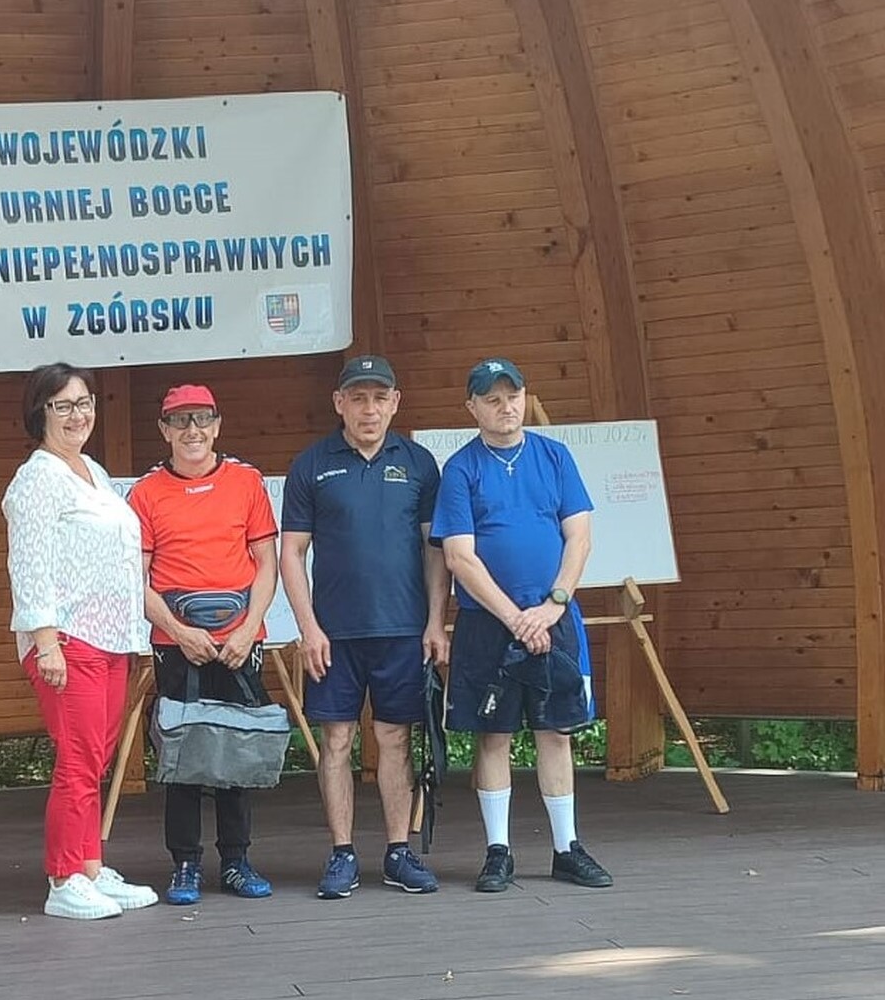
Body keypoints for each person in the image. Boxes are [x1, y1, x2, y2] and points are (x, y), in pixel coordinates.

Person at [430, 357, 613, 892]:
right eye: (492, 399)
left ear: (525, 397)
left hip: (554, 618)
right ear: (472, 407)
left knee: (556, 733)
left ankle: (566, 848)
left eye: (512, 396)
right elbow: (458, 556)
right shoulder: (460, 469)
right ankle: (498, 851)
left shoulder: (555, 457)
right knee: (494, 735)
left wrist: (553, 605)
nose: (505, 407)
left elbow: (579, 537)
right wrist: (515, 618)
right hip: (488, 625)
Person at [280, 355, 449, 900]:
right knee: (337, 740)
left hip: (403, 630)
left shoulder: (420, 464)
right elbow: (291, 553)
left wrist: (435, 621)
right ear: (340, 403)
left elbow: (435, 551)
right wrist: (308, 628)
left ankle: (398, 852)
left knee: (395, 739)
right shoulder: (311, 465)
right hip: (333, 635)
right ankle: (342, 854)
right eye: (358, 398)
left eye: (379, 397)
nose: (369, 409)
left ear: (395, 403)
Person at [1, 362, 158, 920]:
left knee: (96, 758)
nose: (78, 415)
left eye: (85, 402)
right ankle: (65, 878)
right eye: (63, 405)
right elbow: (29, 566)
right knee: (78, 759)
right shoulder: (36, 480)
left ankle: (90, 867)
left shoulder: (91, 470)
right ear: (40, 412)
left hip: (110, 638)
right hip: (68, 640)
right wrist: (45, 642)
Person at [128, 384, 279, 906]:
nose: (192, 430)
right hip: (177, 643)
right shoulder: (145, 494)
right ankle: (186, 864)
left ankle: (236, 860)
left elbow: (267, 563)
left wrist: (248, 628)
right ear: (164, 430)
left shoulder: (246, 481)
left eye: (201, 419)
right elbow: (134, 578)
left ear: (217, 425)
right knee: (183, 753)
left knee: (237, 749)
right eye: (180, 420)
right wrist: (178, 630)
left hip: (240, 641)